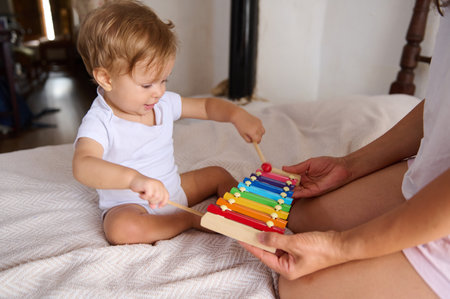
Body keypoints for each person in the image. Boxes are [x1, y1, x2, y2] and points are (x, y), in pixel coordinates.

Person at [241, 2, 450, 298]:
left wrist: (339, 247)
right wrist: (351, 165)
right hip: (436, 179)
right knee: (296, 215)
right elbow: (443, 104)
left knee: (300, 285)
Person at [72, 0, 265, 246]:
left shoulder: (160, 103)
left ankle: (245, 212)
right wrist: (134, 180)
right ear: (106, 78)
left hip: (174, 189)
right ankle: (188, 220)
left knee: (217, 174)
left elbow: (205, 106)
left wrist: (237, 115)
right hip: (131, 204)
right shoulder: (100, 120)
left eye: (164, 80)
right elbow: (83, 165)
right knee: (121, 230)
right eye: (147, 85)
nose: (158, 92)